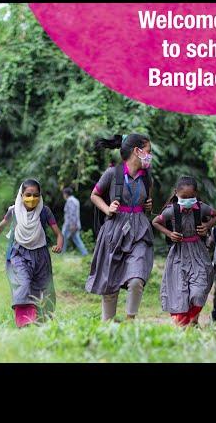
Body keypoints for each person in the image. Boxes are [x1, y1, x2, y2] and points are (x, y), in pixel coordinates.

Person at [85, 134, 154, 321]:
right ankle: (107, 323)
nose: (150, 156)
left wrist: (148, 206)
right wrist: (107, 209)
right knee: (110, 281)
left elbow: (148, 200)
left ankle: (130, 320)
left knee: (137, 279)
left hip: (140, 230)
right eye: (148, 151)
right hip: (114, 230)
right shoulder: (112, 174)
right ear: (136, 151)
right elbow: (95, 195)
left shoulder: (147, 176)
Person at [0, 178, 63, 327]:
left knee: (44, 289)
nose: (32, 199)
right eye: (28, 195)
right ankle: (25, 323)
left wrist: (59, 244)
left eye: (36, 195)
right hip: (19, 254)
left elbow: (58, 233)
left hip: (41, 256)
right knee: (23, 284)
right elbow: (0, 227)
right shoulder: (14, 211)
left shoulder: (44, 211)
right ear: (21, 195)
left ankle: (42, 322)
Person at [152, 176, 216, 327]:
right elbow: (155, 221)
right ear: (176, 193)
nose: (188, 200)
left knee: (199, 289)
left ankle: (192, 318)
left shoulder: (201, 208)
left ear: (196, 194)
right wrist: (169, 234)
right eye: (184, 197)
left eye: (191, 197)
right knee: (179, 290)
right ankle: (185, 323)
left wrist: (207, 225)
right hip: (179, 254)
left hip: (199, 253)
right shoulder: (171, 211)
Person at [61, 186, 88, 256]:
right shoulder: (75, 200)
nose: (63, 196)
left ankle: (61, 253)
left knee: (63, 238)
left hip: (70, 224)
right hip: (74, 224)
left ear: (66, 194)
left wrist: (72, 225)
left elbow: (72, 213)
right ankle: (85, 253)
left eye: (63, 194)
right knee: (76, 239)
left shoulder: (70, 201)